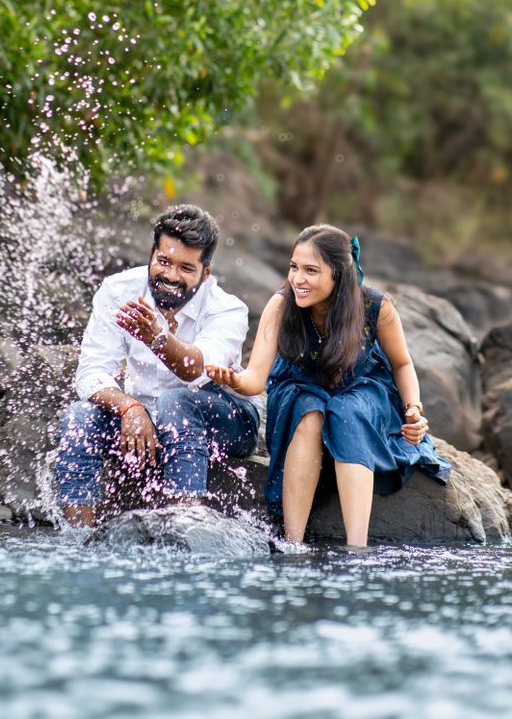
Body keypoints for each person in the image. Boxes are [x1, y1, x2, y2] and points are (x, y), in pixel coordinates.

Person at [207, 224, 450, 547]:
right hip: (298, 387)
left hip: (360, 385)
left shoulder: (376, 308)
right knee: (311, 415)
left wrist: (413, 409)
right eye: (294, 267)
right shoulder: (281, 306)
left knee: (347, 411)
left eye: (310, 270)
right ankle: (293, 545)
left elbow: (402, 364)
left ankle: (356, 549)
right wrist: (234, 380)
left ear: (338, 275)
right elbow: (255, 380)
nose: (297, 279)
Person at [54, 203, 258, 526]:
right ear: (151, 255)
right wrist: (128, 407)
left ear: (206, 273)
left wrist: (157, 339)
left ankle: (184, 530)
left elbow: (195, 369)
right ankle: (78, 541)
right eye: (163, 261)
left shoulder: (228, 310)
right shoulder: (119, 290)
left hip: (227, 417)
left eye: (186, 268)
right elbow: (91, 371)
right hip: (147, 411)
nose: (170, 276)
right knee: (79, 417)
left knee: (175, 402)